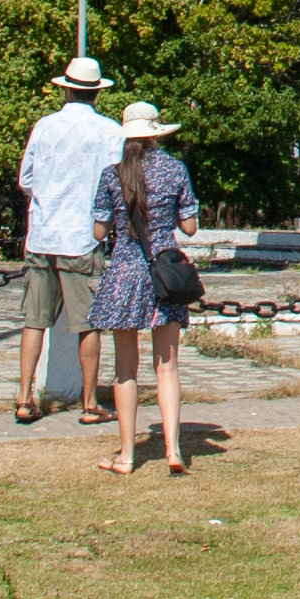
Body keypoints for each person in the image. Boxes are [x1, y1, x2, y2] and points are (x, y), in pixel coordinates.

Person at [87, 100, 201, 476]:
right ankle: (173, 450)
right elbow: (189, 228)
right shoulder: (175, 170)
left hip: (124, 273)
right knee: (167, 366)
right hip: (163, 274)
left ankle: (127, 455)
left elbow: (99, 231)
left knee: (126, 369)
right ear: (156, 135)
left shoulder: (111, 175)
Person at [14, 56, 126, 425]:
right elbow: (116, 185)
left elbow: (26, 179)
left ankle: (25, 396)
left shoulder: (44, 127)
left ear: (65, 88)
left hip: (43, 233)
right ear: (97, 92)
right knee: (87, 323)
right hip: (82, 236)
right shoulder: (109, 132)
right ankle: (90, 402)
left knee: (35, 320)